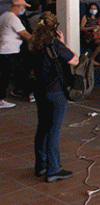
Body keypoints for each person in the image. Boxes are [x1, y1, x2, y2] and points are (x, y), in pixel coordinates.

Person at [28, 12, 78, 182]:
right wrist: (63, 42)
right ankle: (54, 169)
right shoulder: (55, 44)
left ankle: (40, 165)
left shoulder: (34, 44)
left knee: (42, 127)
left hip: (39, 90)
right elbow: (74, 60)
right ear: (55, 28)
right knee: (53, 131)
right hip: (55, 91)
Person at [0, 0, 33, 109]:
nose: (23, 9)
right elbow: (25, 34)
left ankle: (22, 91)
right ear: (18, 6)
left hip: (5, 50)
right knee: (9, 75)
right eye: (23, 7)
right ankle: (1, 100)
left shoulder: (4, 16)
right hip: (9, 52)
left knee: (14, 74)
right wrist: (38, 42)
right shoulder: (13, 19)